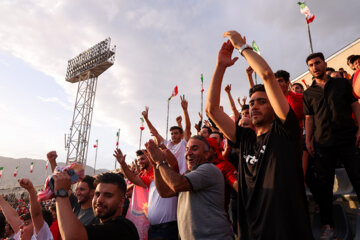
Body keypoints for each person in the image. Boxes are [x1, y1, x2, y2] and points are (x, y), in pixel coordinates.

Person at [205, 30, 313, 240]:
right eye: (252, 102)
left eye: (262, 102)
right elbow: (212, 110)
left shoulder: (285, 129)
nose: (254, 107)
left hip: (288, 231)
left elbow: (266, 75)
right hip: (250, 231)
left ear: (274, 105)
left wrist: (243, 48)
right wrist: (220, 66)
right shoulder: (245, 138)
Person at [303, 52, 360, 239]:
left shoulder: (342, 83)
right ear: (309, 69)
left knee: (358, 176)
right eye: (311, 65)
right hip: (323, 144)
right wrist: (309, 140)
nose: (315, 67)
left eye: (317, 63)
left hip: (347, 139)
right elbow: (309, 118)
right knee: (324, 186)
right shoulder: (308, 93)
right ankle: (329, 226)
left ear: (325, 64)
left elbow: (355, 106)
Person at [146, 137, 233, 240]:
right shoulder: (188, 175)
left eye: (194, 148)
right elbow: (164, 192)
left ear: (207, 153)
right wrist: (155, 164)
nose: (188, 153)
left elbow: (176, 184)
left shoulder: (209, 169)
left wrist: (160, 162)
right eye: (187, 149)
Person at [53, 171, 139, 240]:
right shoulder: (102, 226)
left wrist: (61, 192)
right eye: (97, 194)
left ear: (121, 201)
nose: (99, 200)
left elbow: (72, 237)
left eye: (108, 195)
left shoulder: (123, 228)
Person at [141, 95, 191, 174]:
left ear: (182, 135)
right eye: (172, 133)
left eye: (176, 133)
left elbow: (188, 127)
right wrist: (146, 119)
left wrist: (185, 110)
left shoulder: (184, 143)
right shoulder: (167, 144)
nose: (173, 135)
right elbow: (155, 132)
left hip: (183, 176)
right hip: (170, 177)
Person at [114, 149, 153, 240]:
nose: (140, 162)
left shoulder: (152, 174)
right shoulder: (143, 173)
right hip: (141, 217)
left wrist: (123, 164)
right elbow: (133, 184)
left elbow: (133, 179)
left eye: (142, 159)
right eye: (138, 160)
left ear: (150, 158)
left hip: (148, 219)